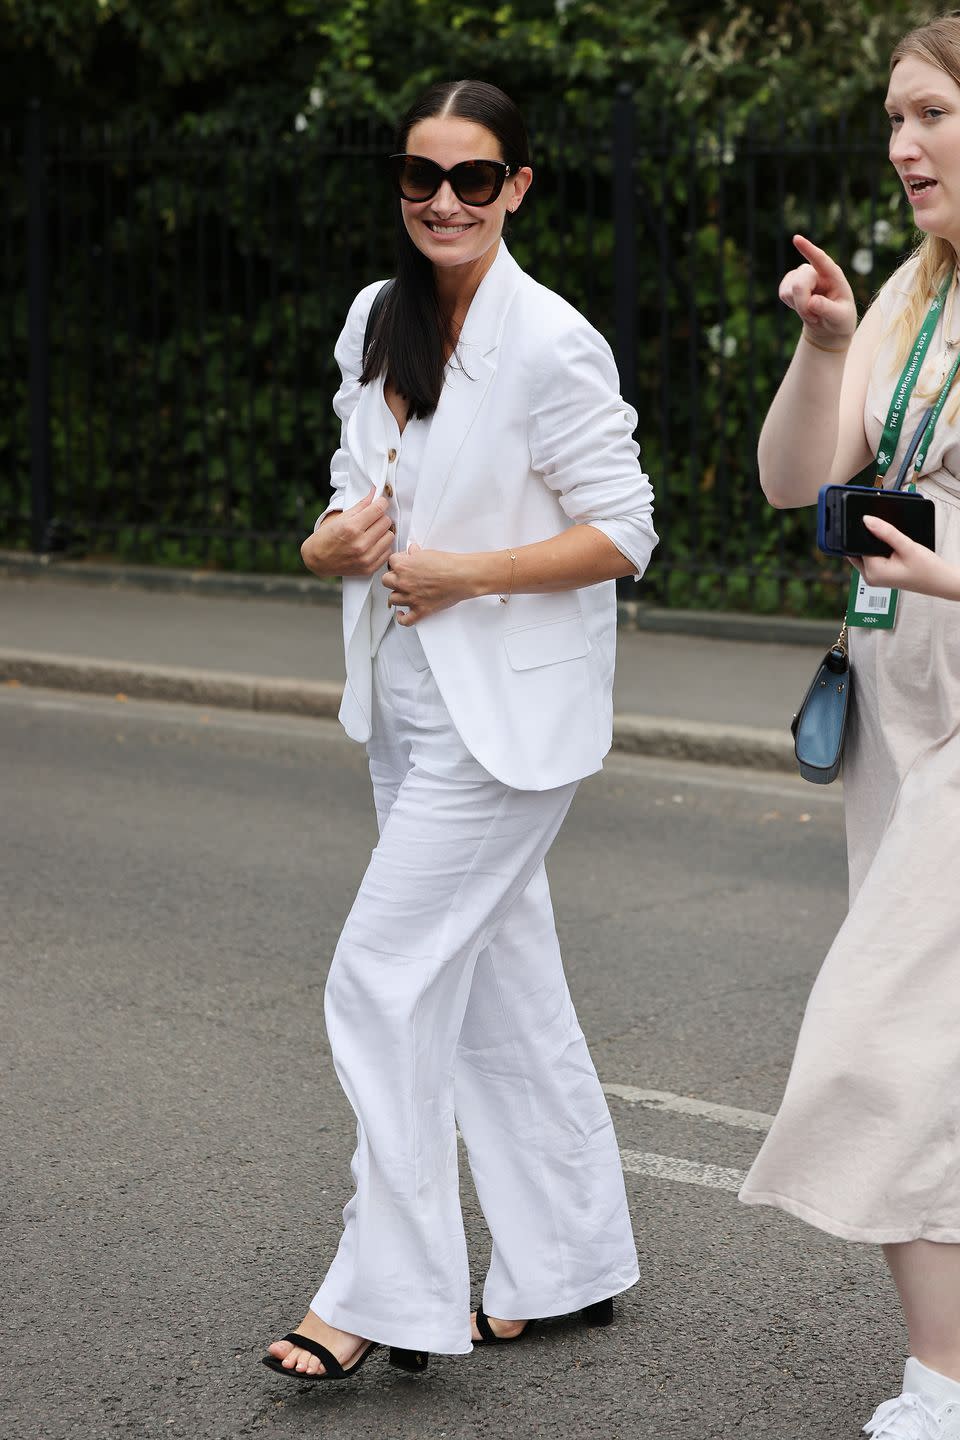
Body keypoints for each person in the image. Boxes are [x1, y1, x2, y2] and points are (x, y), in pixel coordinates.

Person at [262, 78, 657, 1382]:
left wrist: (468, 572)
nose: (444, 201)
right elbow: (348, 497)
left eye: (474, 179)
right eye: (421, 176)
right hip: (406, 705)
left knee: (380, 983)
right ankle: (572, 1260)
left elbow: (626, 531)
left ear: (518, 189)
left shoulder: (552, 341)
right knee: (499, 986)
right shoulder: (378, 320)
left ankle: (381, 1294)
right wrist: (330, 546)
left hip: (510, 727)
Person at [739, 15, 960, 1438]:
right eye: (893, 117)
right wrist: (827, 347)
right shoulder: (908, 290)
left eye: (933, 114)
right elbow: (787, 481)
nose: (900, 145)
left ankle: (942, 1391)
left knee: (881, 1036)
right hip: (900, 712)